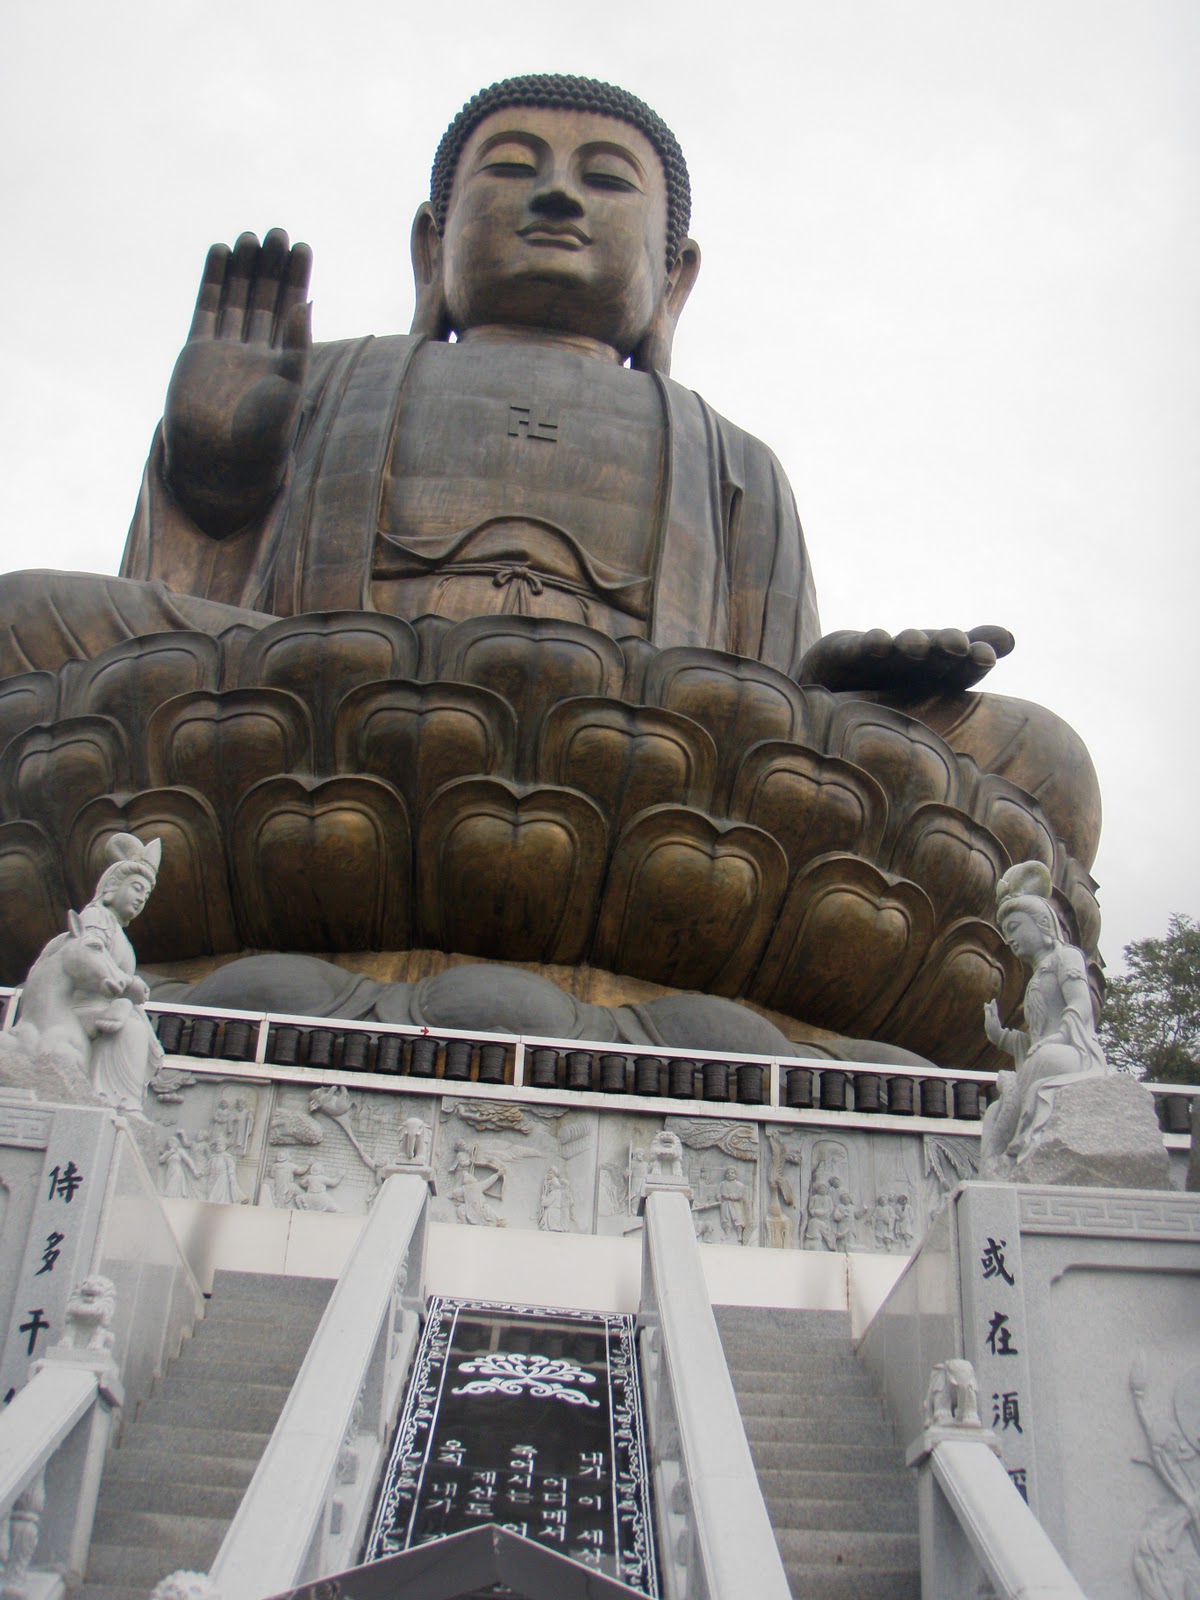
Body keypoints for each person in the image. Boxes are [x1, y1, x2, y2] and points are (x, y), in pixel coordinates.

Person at [0, 74, 1098, 868]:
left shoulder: (734, 456)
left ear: (675, 281)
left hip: (628, 762)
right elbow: (204, 604)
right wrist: (214, 472)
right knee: (27, 621)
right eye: (516, 170)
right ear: (432, 249)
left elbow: (760, 704)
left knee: (1041, 762)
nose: (558, 198)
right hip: (330, 710)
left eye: (604, 181)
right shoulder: (332, 378)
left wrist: (838, 696)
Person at [981, 860, 1110, 1174]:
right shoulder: (1035, 978)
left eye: (1014, 928)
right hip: (1045, 1055)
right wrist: (1000, 1036)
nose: (1010, 940)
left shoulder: (1067, 957)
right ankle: (995, 1167)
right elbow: (1031, 1041)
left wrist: (1060, 1037)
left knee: (1037, 1065)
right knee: (996, 1111)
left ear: (1040, 923)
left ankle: (1013, 1154)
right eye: (1006, 933)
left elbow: (1080, 1005)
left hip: (1072, 1055)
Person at [76, 834, 164, 1111]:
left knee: (134, 1031)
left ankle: (121, 1104)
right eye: (137, 888)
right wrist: (127, 985)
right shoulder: (95, 917)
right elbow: (86, 958)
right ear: (113, 886)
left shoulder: (120, 936)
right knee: (128, 1031)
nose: (141, 899)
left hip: (111, 1008)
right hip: (84, 1003)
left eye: (146, 895)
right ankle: (105, 1099)